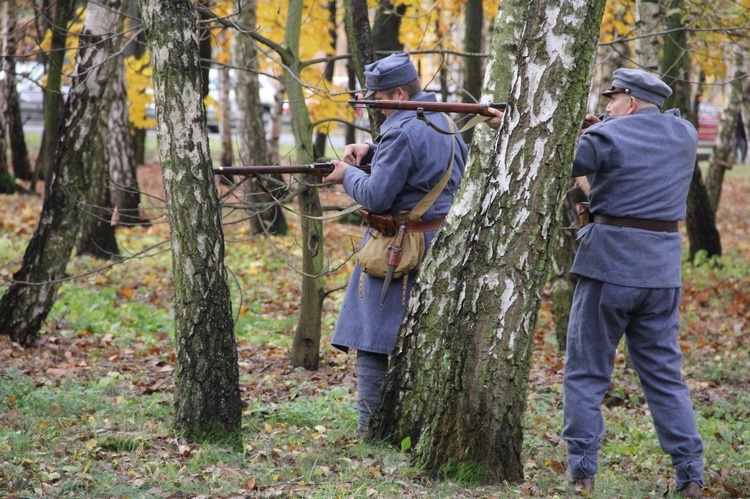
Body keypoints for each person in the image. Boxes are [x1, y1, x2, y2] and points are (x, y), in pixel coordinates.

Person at [323, 53, 468, 434]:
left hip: (399, 250)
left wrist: (347, 174)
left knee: (373, 342)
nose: (379, 110)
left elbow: (375, 197)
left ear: (401, 94)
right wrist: (373, 152)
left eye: (381, 100)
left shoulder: (402, 130)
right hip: (437, 242)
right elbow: (426, 169)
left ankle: (370, 432)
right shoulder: (445, 121)